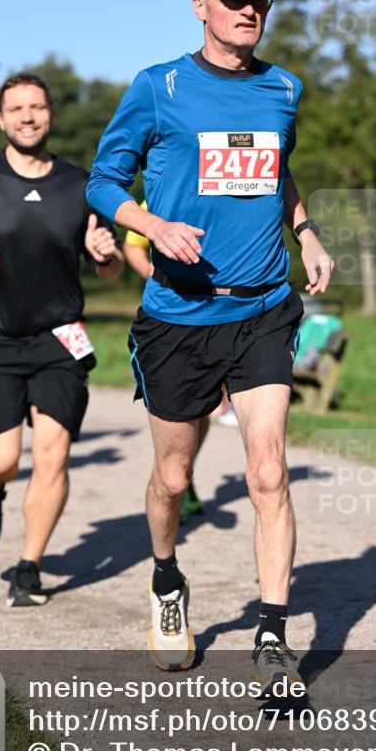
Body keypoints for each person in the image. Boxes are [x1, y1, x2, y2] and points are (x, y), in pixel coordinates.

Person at [87, 0, 334, 687]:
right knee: (172, 476)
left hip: (262, 307)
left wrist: (305, 230)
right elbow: (103, 180)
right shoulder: (157, 87)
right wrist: (150, 225)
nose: (249, 9)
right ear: (200, 6)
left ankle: (271, 635)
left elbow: (277, 171)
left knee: (268, 470)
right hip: (178, 312)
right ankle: (167, 579)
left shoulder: (283, 88)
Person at [0, 72, 123, 607]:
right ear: (1, 120)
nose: (27, 116)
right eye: (16, 109)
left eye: (36, 106)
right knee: (0, 459)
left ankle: (29, 567)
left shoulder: (80, 185)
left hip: (58, 338)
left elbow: (107, 269)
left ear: (51, 114)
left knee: (53, 453)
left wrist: (105, 255)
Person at [123, 201, 207, 520]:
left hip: (217, 313)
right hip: (169, 313)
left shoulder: (218, 188)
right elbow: (132, 246)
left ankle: (186, 471)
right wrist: (152, 273)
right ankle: (174, 477)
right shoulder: (159, 194)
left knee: (205, 405)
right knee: (175, 403)